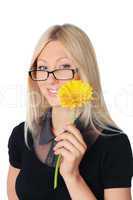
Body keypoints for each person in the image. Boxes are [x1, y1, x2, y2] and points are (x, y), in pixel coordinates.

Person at [7, 23, 133, 200]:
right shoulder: (22, 135)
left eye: (63, 67)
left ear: (84, 72)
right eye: (43, 68)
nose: (51, 80)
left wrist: (72, 176)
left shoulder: (113, 144)